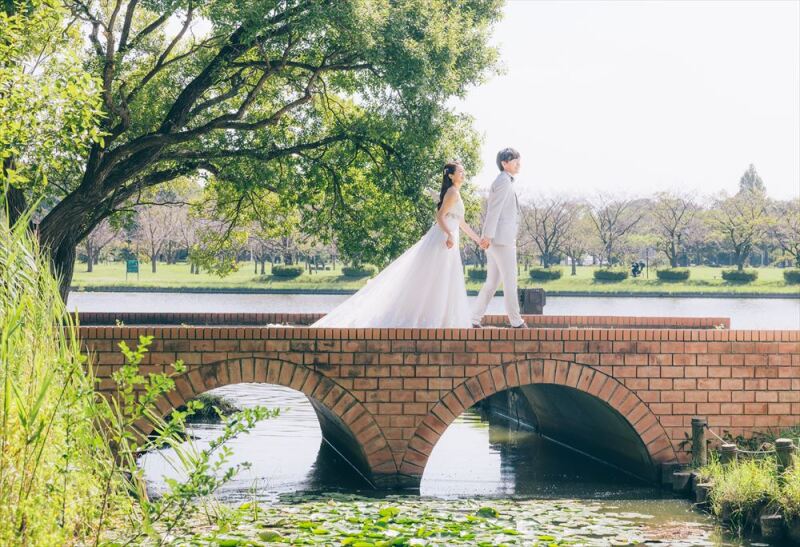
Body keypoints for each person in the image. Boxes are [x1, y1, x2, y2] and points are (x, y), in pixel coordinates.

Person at [311, 161, 484, 328]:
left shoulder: (456, 193)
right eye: (460, 171)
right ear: (451, 176)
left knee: (442, 278)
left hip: (449, 239)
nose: (463, 174)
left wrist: (478, 240)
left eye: (463, 171)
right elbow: (440, 216)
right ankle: (429, 319)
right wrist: (449, 234)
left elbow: (461, 223)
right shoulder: (452, 192)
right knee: (435, 277)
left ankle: (439, 319)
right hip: (443, 239)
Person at [471, 147, 527, 329]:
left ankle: (474, 318)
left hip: (497, 239)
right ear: (504, 163)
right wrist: (487, 236)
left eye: (519, 160)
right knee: (510, 280)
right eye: (515, 161)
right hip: (501, 240)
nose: (519, 164)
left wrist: (488, 237)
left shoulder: (505, 181)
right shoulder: (503, 181)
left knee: (492, 283)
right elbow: (493, 210)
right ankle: (516, 321)